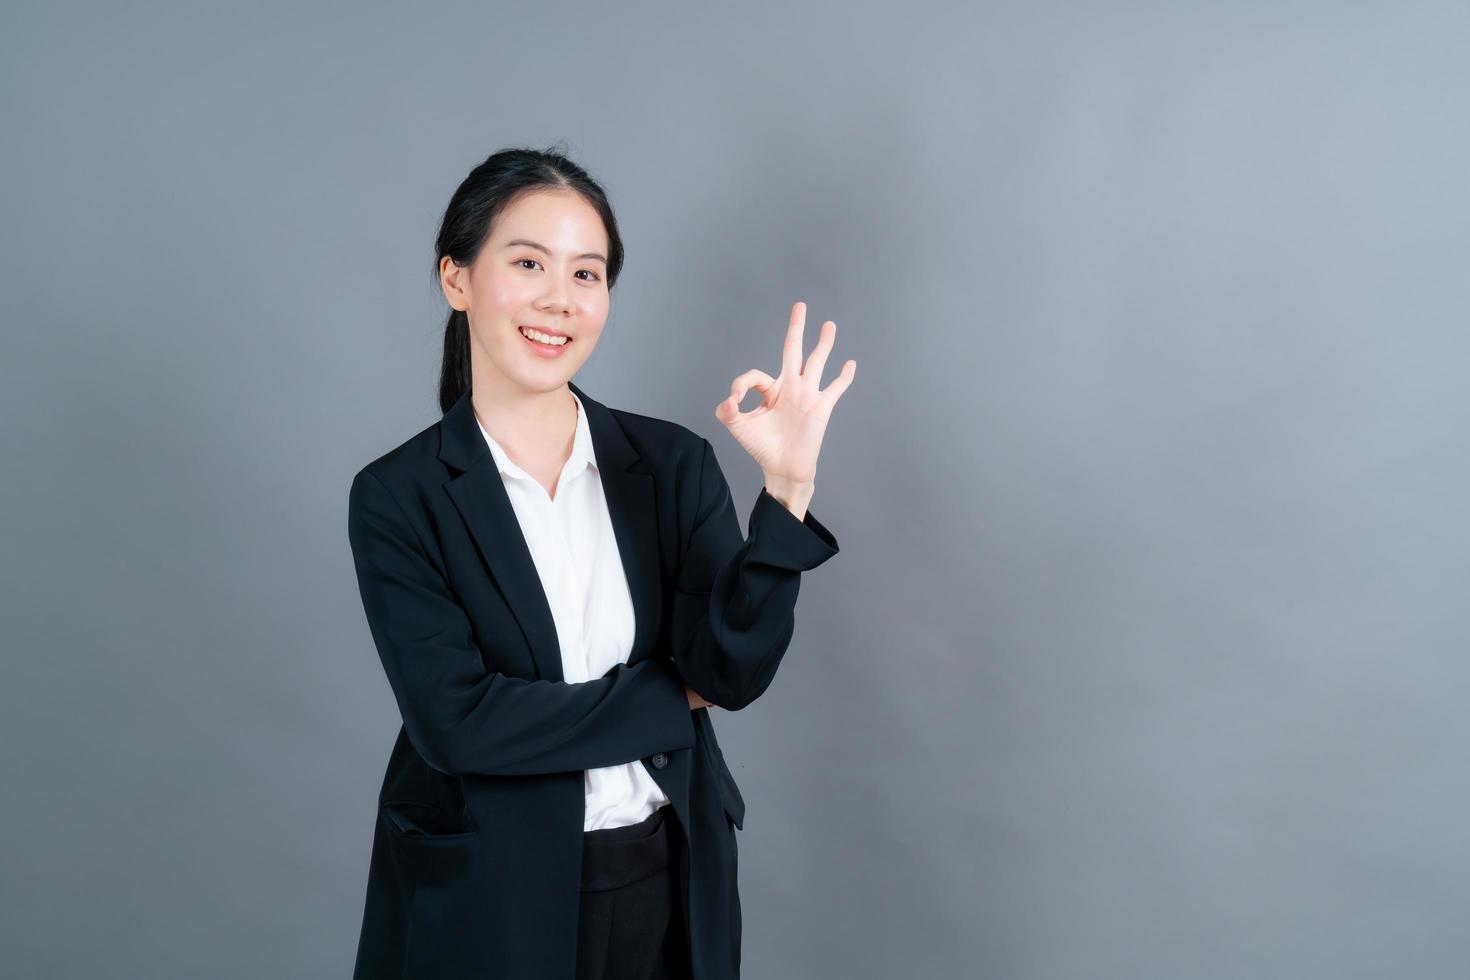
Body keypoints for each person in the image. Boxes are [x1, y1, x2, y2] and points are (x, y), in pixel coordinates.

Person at [346, 145, 855, 979]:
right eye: (527, 262)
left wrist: (786, 491)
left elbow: (727, 674)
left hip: (665, 881)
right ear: (457, 279)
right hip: (489, 897)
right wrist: (668, 693)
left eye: (587, 274)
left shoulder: (669, 464)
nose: (560, 299)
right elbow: (459, 723)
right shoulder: (399, 496)